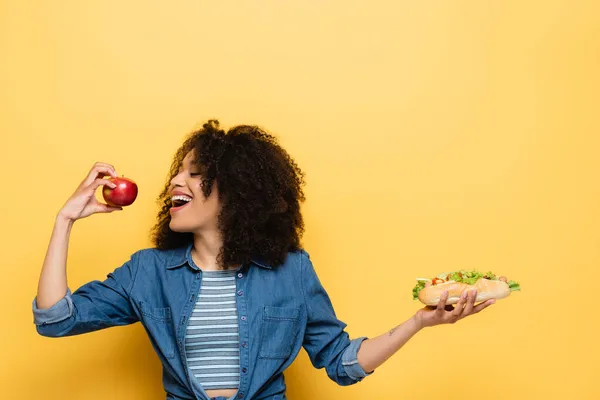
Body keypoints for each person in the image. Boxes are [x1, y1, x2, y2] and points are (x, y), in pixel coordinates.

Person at [32, 120, 495, 400]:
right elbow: (55, 320)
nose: (175, 181)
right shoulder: (148, 271)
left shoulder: (292, 270)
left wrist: (418, 322)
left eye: (194, 174)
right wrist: (65, 219)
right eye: (177, 172)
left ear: (236, 192)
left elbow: (341, 362)